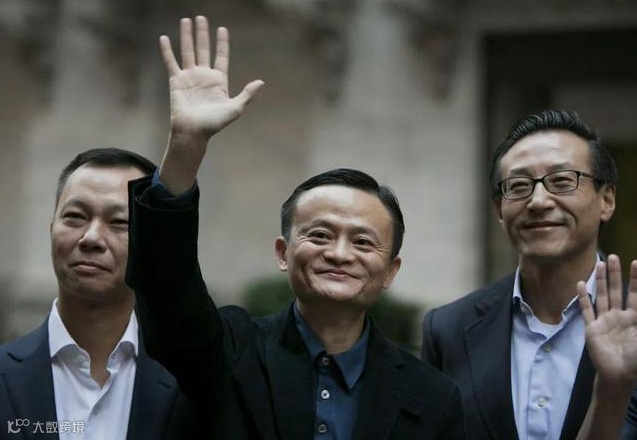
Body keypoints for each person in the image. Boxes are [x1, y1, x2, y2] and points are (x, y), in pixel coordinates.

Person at [126, 15, 465, 440]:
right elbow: (167, 292)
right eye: (319, 235)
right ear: (283, 252)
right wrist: (186, 148)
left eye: (363, 242)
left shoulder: (432, 396)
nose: (338, 253)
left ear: (391, 271)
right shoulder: (232, 351)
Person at [421, 109, 620, 440]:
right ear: (500, 211)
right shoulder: (449, 329)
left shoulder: (631, 321)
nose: (538, 201)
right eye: (519, 186)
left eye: (562, 181)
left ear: (606, 200)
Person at [0, 148, 194, 439]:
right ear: (52, 229)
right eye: (75, 217)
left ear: (152, 242)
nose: (91, 238)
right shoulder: (4, 373)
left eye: (119, 222)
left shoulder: (191, 384)